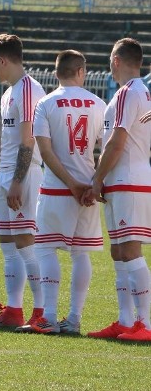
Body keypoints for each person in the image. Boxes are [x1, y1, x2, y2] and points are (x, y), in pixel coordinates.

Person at [27, 50, 105, 335]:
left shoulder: (46, 103)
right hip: (88, 189)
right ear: (81, 71)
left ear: (56, 71)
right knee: (80, 253)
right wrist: (95, 182)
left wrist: (70, 183)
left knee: (46, 248)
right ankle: (73, 318)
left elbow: (45, 151)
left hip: (58, 187)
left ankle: (48, 316)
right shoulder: (99, 103)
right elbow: (107, 149)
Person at [0, 34, 46, 329]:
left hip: (25, 175)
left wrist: (18, 180)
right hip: (6, 175)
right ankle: (14, 310)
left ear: (3, 60)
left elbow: (28, 139)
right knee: (8, 245)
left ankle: (42, 312)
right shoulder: (8, 93)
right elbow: (5, 141)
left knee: (26, 244)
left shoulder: (29, 88)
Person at [85, 38, 151, 341]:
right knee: (119, 251)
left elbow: (117, 141)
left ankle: (146, 324)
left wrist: (97, 177)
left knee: (131, 250)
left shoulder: (128, 92)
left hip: (128, 179)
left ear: (115, 61)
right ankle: (126, 321)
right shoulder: (141, 92)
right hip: (124, 179)